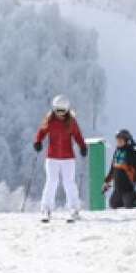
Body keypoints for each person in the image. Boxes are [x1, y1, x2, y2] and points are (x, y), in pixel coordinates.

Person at [33, 94, 88, 222]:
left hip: (68, 158)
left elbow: (78, 135)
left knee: (69, 182)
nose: (60, 114)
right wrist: (38, 142)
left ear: (67, 110)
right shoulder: (49, 120)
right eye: (58, 111)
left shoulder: (71, 121)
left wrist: (82, 146)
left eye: (63, 111)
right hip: (52, 157)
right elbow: (41, 132)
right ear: (54, 109)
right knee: (52, 181)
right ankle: (46, 208)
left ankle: (74, 208)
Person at [102, 129, 136, 209]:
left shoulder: (134, 154)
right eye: (117, 140)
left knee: (130, 209)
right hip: (118, 189)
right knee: (113, 204)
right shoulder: (117, 152)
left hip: (129, 190)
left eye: (120, 140)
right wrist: (106, 182)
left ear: (127, 141)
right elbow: (113, 169)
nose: (118, 142)